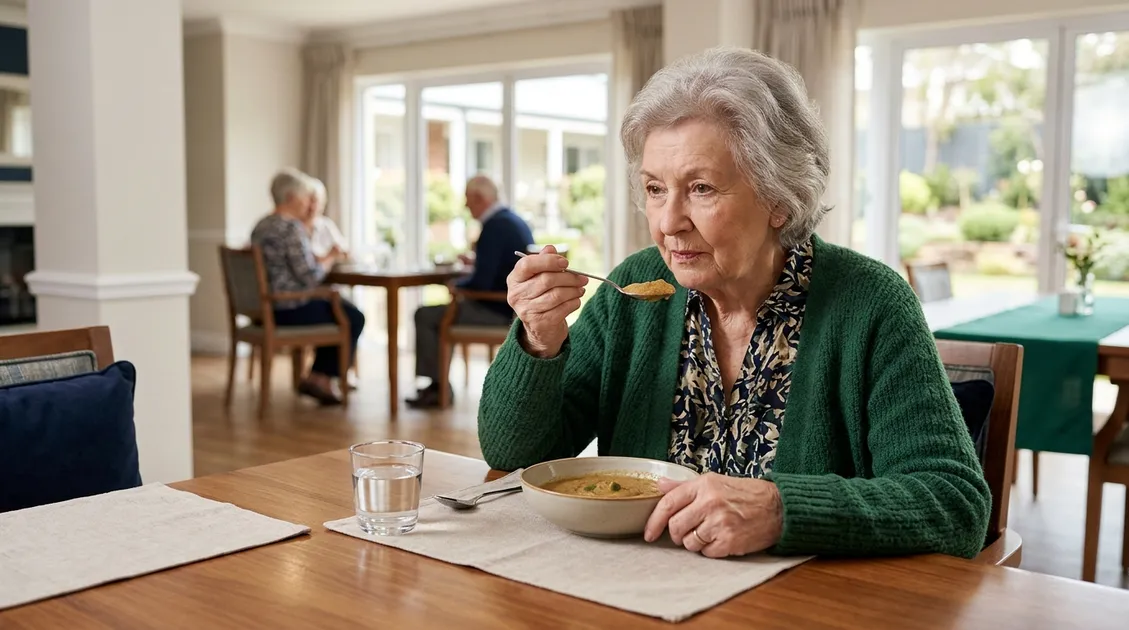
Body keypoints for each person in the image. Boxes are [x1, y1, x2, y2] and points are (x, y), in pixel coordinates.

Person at [477, 48, 991, 560]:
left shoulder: (870, 302)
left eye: (701, 188)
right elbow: (516, 456)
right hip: (638, 592)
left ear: (779, 198)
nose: (668, 221)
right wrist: (538, 342)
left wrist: (782, 509)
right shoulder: (635, 289)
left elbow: (955, 503)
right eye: (656, 188)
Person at [407, 174, 534, 408]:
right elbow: (498, 269)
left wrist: (456, 286)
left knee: (424, 315)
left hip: (496, 310)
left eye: (467, 199)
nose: (465, 205)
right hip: (512, 308)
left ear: (479, 198)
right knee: (437, 313)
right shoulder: (513, 220)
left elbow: (482, 283)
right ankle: (438, 385)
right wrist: (474, 265)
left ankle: (437, 387)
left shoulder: (494, 226)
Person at [250, 168, 364, 405]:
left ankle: (318, 376)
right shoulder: (291, 228)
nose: (308, 203)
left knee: (338, 308)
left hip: (263, 309)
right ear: (291, 198)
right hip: (287, 308)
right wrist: (331, 257)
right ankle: (321, 378)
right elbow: (310, 276)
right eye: (304, 197)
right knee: (352, 315)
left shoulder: (261, 226)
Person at [304, 176, 349, 261]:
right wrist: (328, 256)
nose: (311, 206)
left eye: (315, 201)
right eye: (308, 201)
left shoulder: (326, 224)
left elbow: (345, 252)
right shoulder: (293, 227)